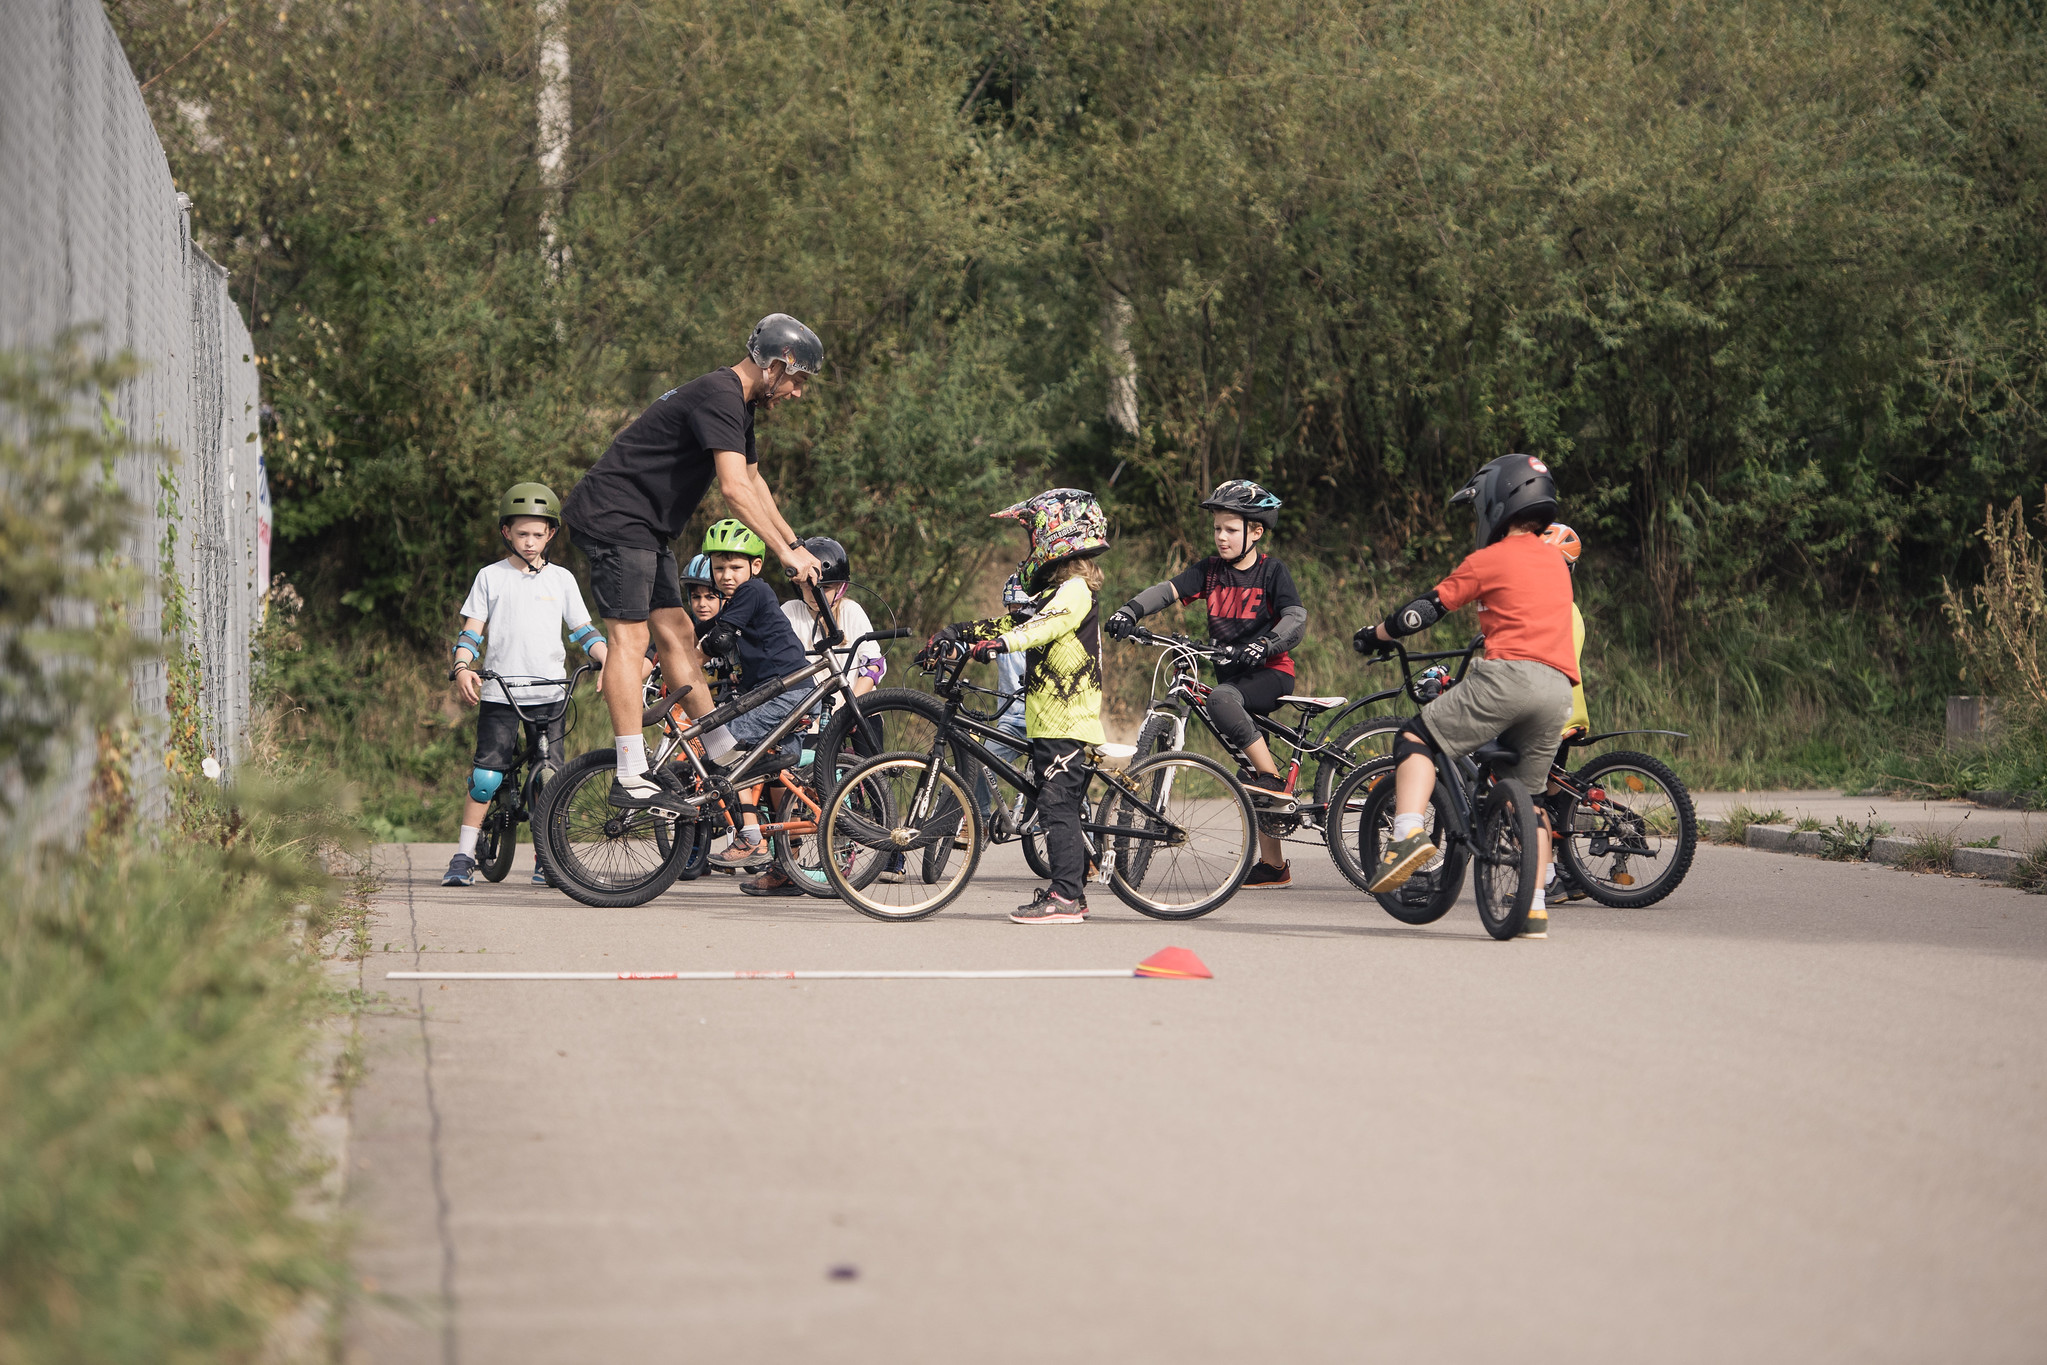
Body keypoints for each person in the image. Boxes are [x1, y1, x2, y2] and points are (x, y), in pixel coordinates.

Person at [558, 314, 827, 811]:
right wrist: (783, 556)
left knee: (680, 632)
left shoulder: (736, 407)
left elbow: (755, 483)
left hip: (647, 526)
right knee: (631, 638)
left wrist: (797, 543)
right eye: (798, 380)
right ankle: (629, 772)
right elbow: (733, 491)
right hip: (616, 517)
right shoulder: (720, 396)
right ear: (775, 365)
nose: (798, 393)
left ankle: (721, 750)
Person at [1354, 454, 1576, 940]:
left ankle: (1408, 831)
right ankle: (1534, 907)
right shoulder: (1556, 562)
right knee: (1532, 798)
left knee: (1416, 737)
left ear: (1498, 502)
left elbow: (1424, 612)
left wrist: (1376, 634)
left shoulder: (1491, 558)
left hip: (1507, 678)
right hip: (1558, 689)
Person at [1104, 479, 1307, 888]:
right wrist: (1129, 611)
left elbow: (1295, 619)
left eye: (1231, 529)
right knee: (1240, 751)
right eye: (1217, 529)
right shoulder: (1210, 572)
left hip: (1270, 672)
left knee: (1223, 702)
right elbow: (1169, 590)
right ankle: (1273, 867)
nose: (1221, 537)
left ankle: (1273, 780)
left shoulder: (1272, 571)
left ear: (1256, 531)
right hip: (1232, 674)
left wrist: (1265, 644)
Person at [933, 489, 1110, 924]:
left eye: (1033, 535)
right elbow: (1015, 620)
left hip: (1067, 723)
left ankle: (1066, 898)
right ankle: (1072, 893)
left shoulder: (1074, 591)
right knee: (1054, 803)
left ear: (1055, 535)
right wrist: (957, 632)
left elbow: (1038, 628)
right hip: (1051, 721)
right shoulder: (1058, 592)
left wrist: (999, 645)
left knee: (1057, 806)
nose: (1030, 547)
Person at [443, 483, 610, 887]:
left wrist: (607, 660)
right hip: (501, 693)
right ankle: (463, 856)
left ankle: (546, 857)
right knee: (486, 778)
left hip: (551, 694)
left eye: (538, 534)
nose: (530, 542)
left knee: (550, 778)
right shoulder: (491, 578)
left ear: (551, 534)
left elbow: (584, 631)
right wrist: (463, 666)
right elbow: (471, 633)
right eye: (522, 534)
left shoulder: (562, 580)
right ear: (506, 533)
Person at [741, 536, 888, 898]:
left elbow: (874, 664)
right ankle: (785, 863)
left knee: (869, 771)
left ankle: (887, 849)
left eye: (827, 587)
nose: (817, 593)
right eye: (810, 586)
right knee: (783, 773)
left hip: (850, 705)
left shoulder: (852, 612)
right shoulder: (789, 611)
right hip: (803, 710)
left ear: (843, 587)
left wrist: (849, 701)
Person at [696, 519, 813, 874]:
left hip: (786, 693)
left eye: (735, 567)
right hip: (780, 695)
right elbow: (697, 634)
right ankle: (764, 841)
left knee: (716, 741)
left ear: (755, 566)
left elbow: (717, 639)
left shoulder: (754, 591)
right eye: (719, 568)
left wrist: (688, 665)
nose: (726, 575)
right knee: (748, 763)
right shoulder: (734, 604)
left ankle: (750, 836)